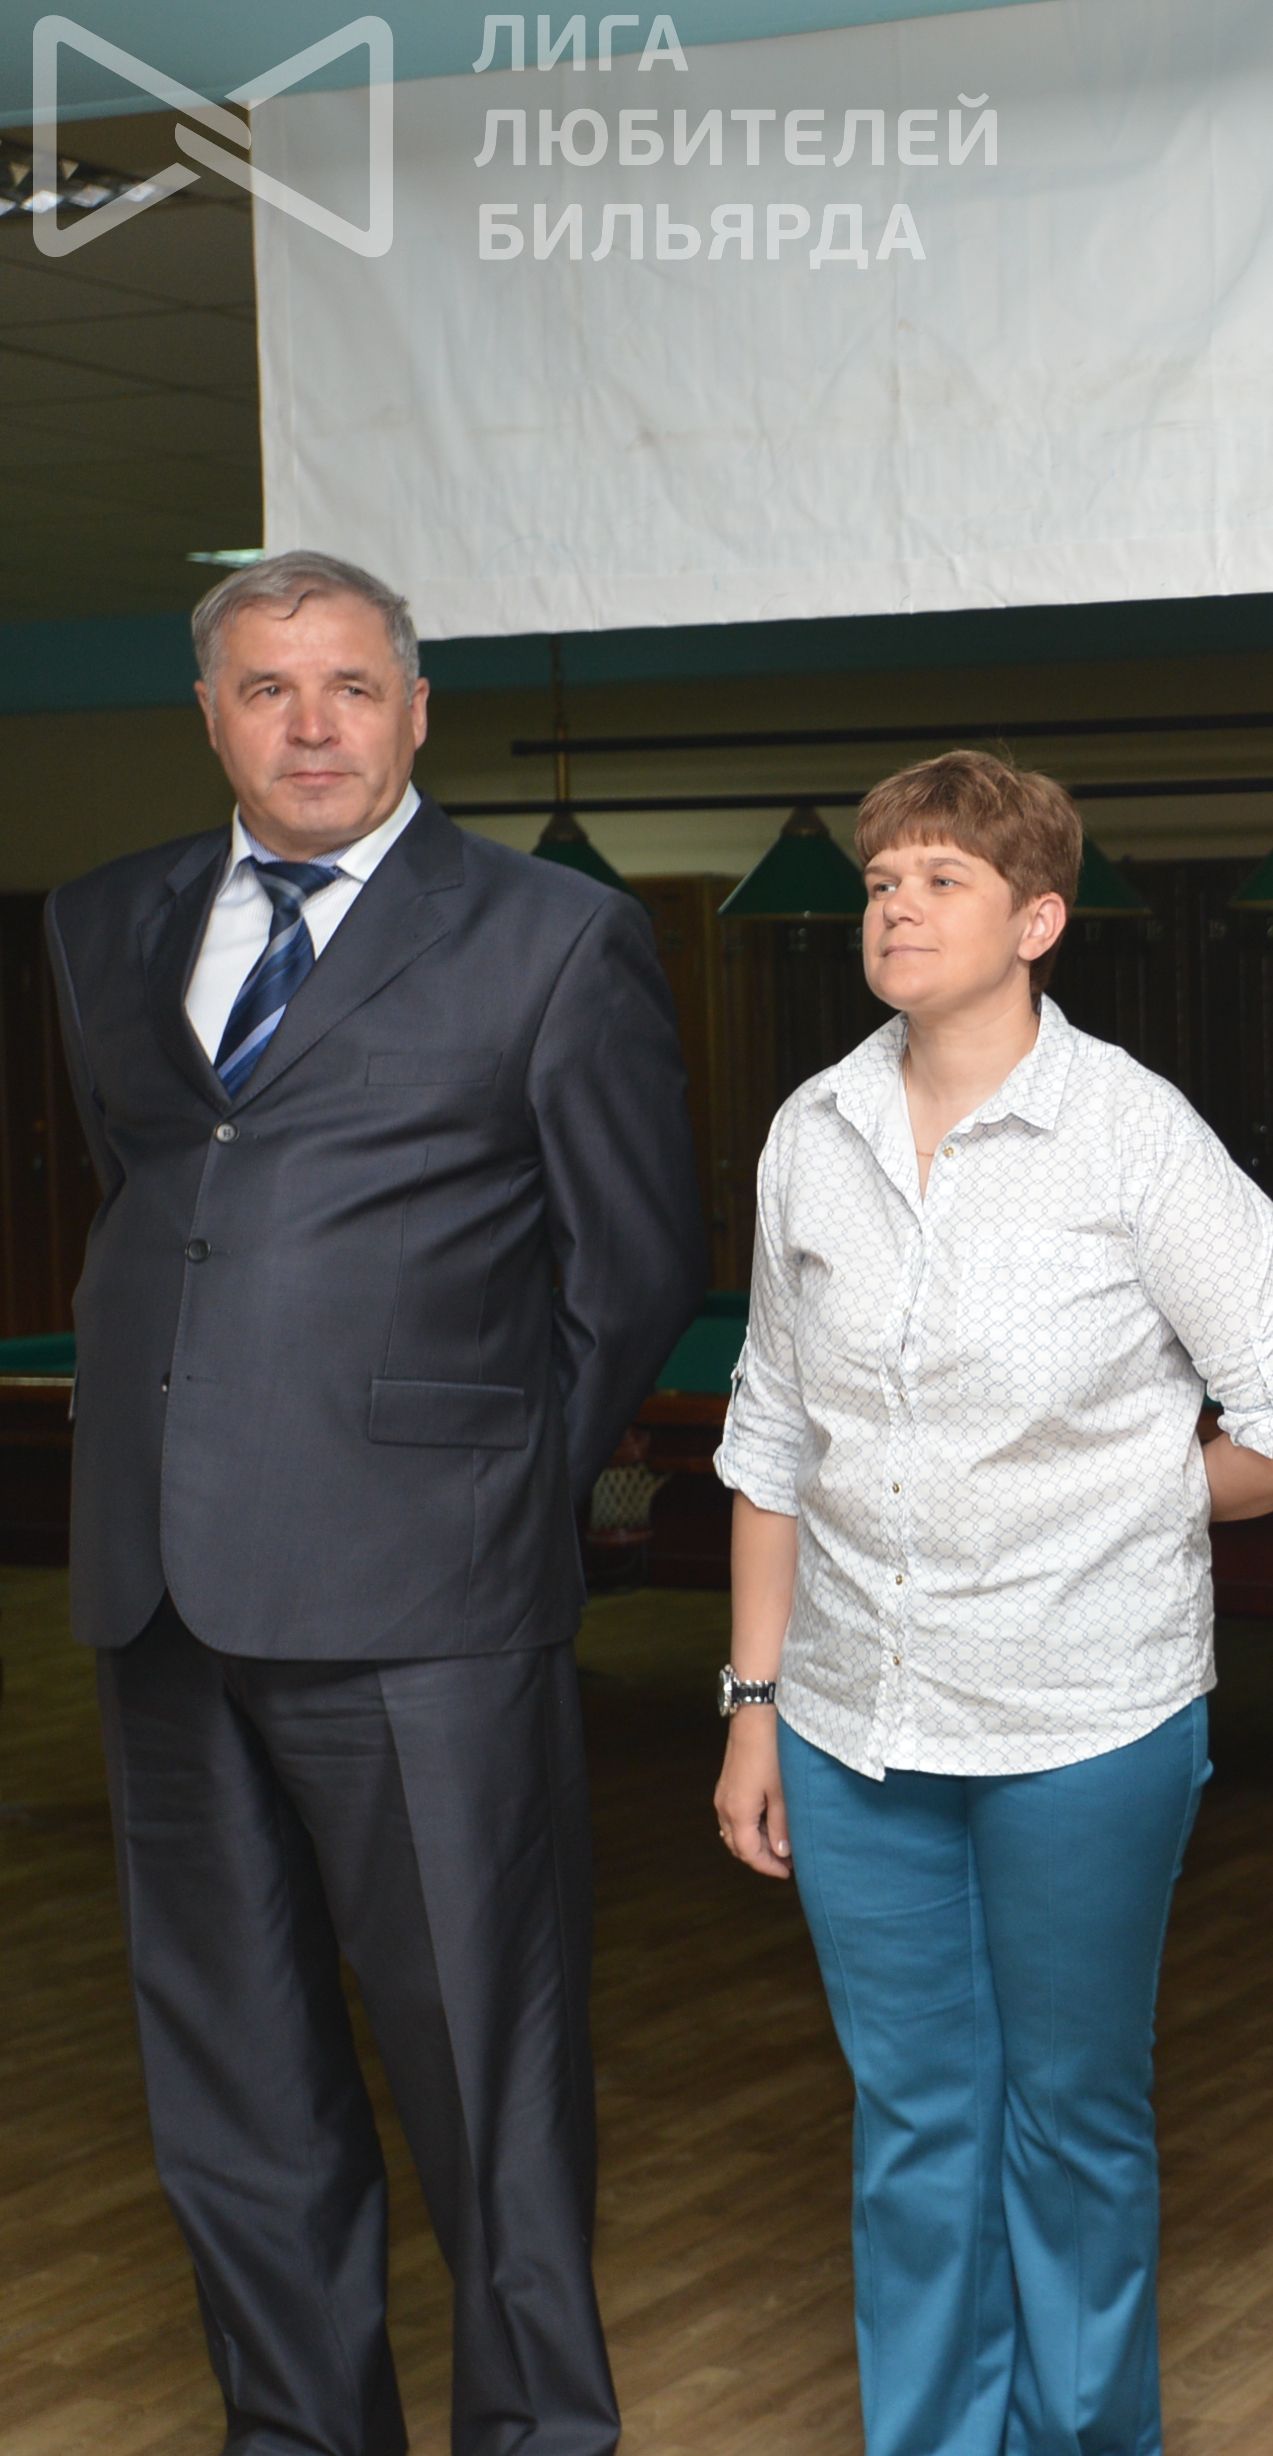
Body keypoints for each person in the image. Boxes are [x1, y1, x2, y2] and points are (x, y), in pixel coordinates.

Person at [45, 550, 701, 2456]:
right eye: (268, 689)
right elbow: (171, 1202)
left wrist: (496, 1503)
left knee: (487, 2075)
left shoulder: (553, 937)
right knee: (233, 2087)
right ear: (211, 718)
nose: (311, 724)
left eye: (349, 685)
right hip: (162, 1594)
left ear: (416, 711)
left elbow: (634, 1269)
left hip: (433, 1608)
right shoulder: (103, 922)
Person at [709, 751, 1273, 2456]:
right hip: (852, 1726)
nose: (897, 908)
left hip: (1089, 1720)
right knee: (914, 2131)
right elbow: (771, 1437)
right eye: (881, 882)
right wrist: (754, 1710)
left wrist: (1121, 1493)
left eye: (943, 880)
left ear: (1039, 921)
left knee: (1069, 2123)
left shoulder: (1133, 1131)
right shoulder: (811, 1134)